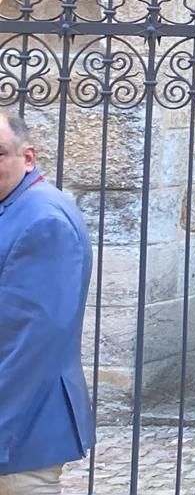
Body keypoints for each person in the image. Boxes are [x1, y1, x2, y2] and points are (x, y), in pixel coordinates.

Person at [0, 112, 93, 495]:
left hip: (20, 433)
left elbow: (30, 344)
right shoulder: (14, 206)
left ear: (29, 157)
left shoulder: (42, 220)